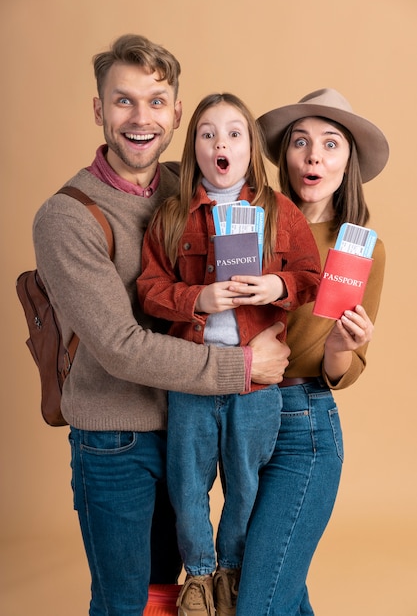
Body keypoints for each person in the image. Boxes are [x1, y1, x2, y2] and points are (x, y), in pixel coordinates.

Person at [31, 35, 290, 616]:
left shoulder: (192, 187)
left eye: (156, 101)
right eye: (123, 101)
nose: (141, 118)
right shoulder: (67, 216)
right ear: (99, 111)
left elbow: (275, 226)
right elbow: (121, 349)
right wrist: (243, 367)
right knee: (125, 601)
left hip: (190, 428)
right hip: (116, 439)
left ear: (178, 113)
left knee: (179, 597)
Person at [137, 92, 321, 616]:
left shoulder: (278, 212)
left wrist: (275, 286)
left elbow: (309, 277)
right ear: (193, 146)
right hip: (193, 378)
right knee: (187, 483)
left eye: (234, 133)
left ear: (250, 148)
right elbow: (149, 288)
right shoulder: (172, 216)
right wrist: (196, 297)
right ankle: (198, 577)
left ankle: (233, 572)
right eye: (208, 132)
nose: (221, 142)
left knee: (246, 483)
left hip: (257, 383)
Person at [230, 88, 389, 615]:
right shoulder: (248, 223)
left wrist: (343, 345)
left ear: (349, 162)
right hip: (243, 415)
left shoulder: (361, 247)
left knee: (260, 599)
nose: (313, 156)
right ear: (284, 156)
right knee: (275, 588)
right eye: (300, 143)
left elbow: (342, 372)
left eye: (330, 144)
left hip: (307, 424)